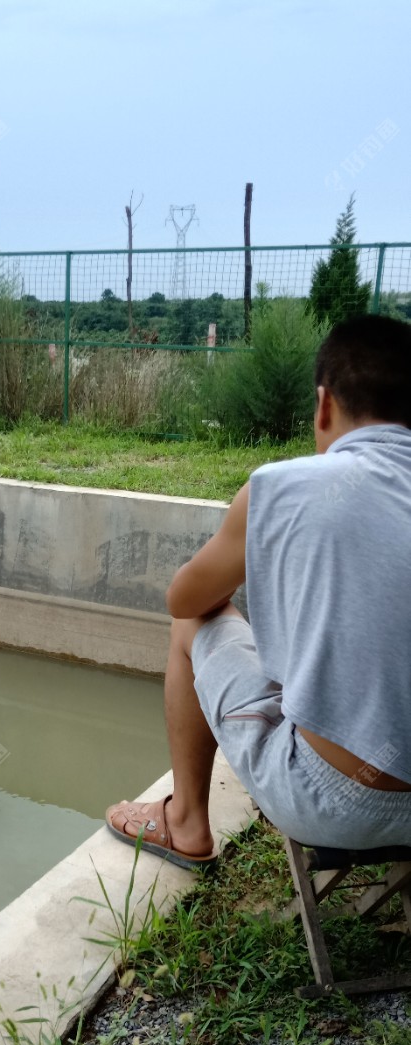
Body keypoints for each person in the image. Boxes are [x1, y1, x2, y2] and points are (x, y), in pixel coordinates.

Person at [106, 315, 411, 868]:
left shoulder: (284, 487)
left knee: (193, 623)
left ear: (324, 406)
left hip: (334, 802)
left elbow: (183, 600)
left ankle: (186, 822)